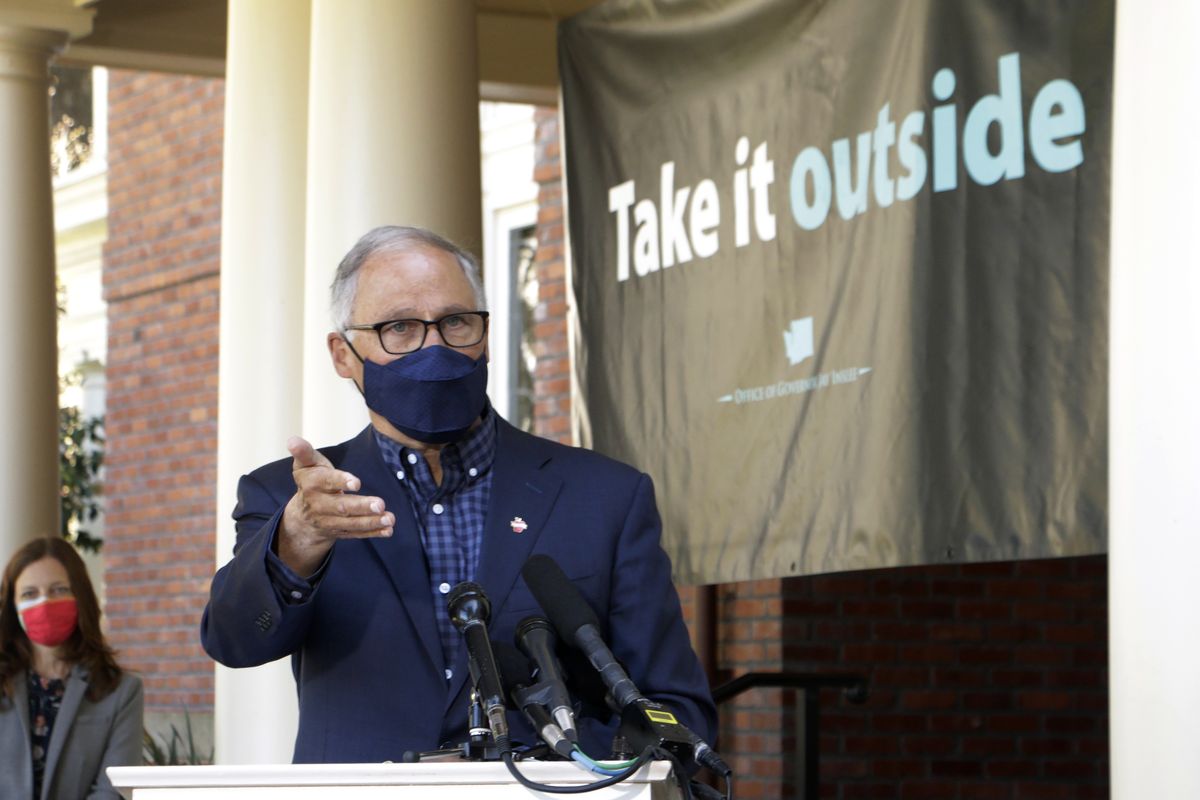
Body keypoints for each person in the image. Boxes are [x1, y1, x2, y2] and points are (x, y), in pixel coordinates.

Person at [201, 225, 717, 763]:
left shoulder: (607, 497)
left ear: (486, 334)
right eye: (400, 327)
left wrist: (554, 764)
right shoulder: (293, 497)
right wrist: (297, 541)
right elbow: (236, 643)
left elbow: (676, 710)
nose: (436, 348)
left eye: (456, 322)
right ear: (343, 354)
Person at [0, 537, 144, 799]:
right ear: (13, 606)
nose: (44, 603)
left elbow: (112, 791)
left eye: (58, 590)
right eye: (29, 594)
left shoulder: (122, 691)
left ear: (80, 596)